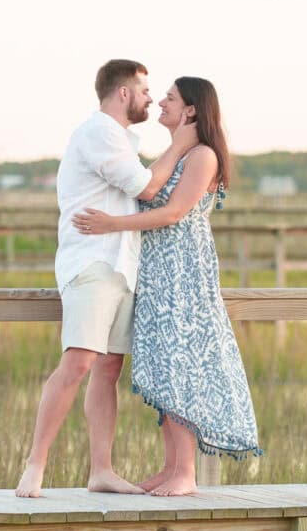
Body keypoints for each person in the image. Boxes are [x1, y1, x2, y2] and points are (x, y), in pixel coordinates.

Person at [14, 60, 198, 499]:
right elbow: (146, 189)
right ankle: (34, 466)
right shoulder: (98, 132)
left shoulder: (117, 139)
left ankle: (102, 470)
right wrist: (181, 144)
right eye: (144, 90)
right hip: (91, 267)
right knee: (78, 362)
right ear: (122, 93)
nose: (151, 98)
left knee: (109, 368)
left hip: (121, 267)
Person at [72, 77, 262, 496]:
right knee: (162, 368)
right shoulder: (176, 153)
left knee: (180, 367)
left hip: (183, 273)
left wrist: (113, 224)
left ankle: (186, 472)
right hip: (157, 274)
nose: (160, 101)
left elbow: (174, 212)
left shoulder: (203, 156)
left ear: (191, 110)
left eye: (171, 98)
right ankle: (171, 466)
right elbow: (146, 187)